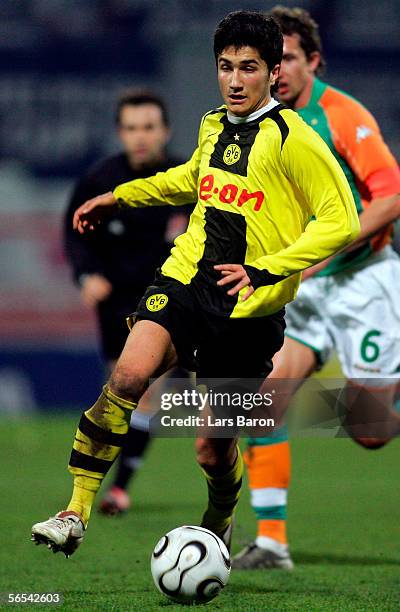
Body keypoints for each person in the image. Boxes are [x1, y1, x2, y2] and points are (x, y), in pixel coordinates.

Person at [31, 10, 359, 559]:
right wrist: (122, 194)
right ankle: (75, 512)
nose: (234, 80)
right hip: (186, 277)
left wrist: (267, 268)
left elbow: (341, 219)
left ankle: (219, 517)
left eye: (248, 68)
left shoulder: (293, 139)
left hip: (248, 311)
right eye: (225, 67)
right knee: (130, 374)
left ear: (274, 72)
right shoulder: (212, 124)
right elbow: (191, 180)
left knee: (211, 449)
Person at [232, 6, 400, 571]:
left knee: (370, 432)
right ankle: (273, 542)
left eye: (289, 60)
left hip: (361, 283)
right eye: (271, 60)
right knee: (259, 401)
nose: (277, 71)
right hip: (303, 289)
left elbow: (390, 196)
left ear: (314, 62)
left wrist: (325, 250)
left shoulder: (343, 115)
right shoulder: (258, 123)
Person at [64, 89, 189, 515]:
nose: (141, 137)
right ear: (121, 133)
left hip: (170, 299)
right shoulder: (101, 180)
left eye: (149, 128)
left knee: (147, 393)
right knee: (118, 392)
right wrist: (85, 274)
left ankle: (117, 488)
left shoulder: (187, 177)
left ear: (165, 131)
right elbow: (74, 230)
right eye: (132, 128)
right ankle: (110, 482)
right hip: (116, 301)